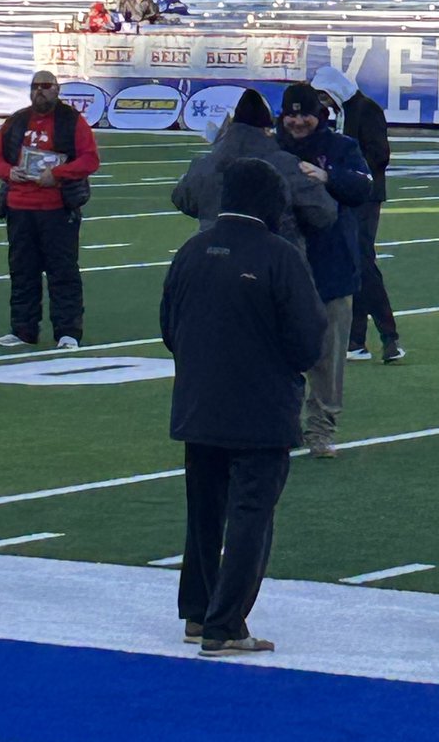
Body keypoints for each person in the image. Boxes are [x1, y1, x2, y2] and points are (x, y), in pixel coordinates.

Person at [161, 158, 327, 656]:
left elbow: (169, 327)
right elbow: (307, 340)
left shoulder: (191, 250)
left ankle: (197, 610)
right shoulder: (280, 255)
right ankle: (226, 624)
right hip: (260, 407)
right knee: (251, 514)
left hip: (198, 401)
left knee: (204, 513)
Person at [276, 83, 372, 457]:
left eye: (305, 113)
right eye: (292, 114)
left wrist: (327, 177)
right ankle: (282, 425)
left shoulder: (342, 147)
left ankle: (321, 430)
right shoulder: (272, 149)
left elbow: (362, 187)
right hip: (281, 268)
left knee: (328, 357)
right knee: (277, 352)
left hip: (331, 263)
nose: (298, 121)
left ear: (320, 114)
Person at [0, 71, 100, 348]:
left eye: (46, 86)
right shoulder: (16, 121)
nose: (40, 91)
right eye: (35, 86)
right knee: (22, 271)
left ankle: (67, 332)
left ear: (57, 90)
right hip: (19, 207)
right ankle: (23, 330)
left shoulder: (71, 121)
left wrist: (59, 174)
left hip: (57, 209)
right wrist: (10, 172)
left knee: (63, 272)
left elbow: (90, 159)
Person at [310, 67, 404, 364]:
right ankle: (356, 340)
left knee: (363, 261)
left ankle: (389, 336)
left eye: (325, 95)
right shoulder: (338, 112)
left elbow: (381, 154)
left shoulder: (366, 109)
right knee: (354, 263)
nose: (323, 102)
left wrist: (350, 168)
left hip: (365, 194)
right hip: (343, 193)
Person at [171, 87, 337, 253]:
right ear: (266, 129)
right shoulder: (285, 164)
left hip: (214, 255)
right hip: (272, 259)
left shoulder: (207, 163)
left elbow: (182, 199)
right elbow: (323, 213)